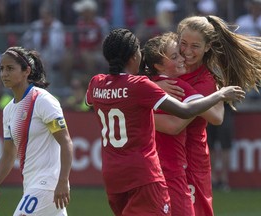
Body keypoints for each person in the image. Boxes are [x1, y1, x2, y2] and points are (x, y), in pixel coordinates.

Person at [85, 28, 245, 216]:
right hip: (145, 174)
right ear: (132, 57)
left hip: (112, 175)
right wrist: (220, 94)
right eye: (138, 51)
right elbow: (186, 112)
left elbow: (91, 104)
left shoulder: (97, 82)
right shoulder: (142, 86)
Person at [156, 15, 261, 216]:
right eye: (183, 43)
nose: (186, 51)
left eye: (195, 46)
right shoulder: (168, 66)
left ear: (208, 47)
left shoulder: (205, 82)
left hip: (189, 162)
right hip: (161, 159)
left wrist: (135, 117)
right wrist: (153, 86)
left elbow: (177, 125)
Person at [0, 46, 73, 216]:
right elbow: (9, 153)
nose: (4, 74)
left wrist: (63, 181)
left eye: (10, 68)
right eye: (2, 69)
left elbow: (66, 142)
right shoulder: (8, 110)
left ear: (26, 71)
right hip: (31, 185)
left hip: (48, 185)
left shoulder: (42, 100)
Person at [141, 32, 202, 216]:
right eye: (174, 56)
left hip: (145, 173)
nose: (182, 58)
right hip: (170, 171)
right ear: (158, 65)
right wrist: (220, 94)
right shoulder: (179, 87)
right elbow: (216, 115)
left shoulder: (140, 87)